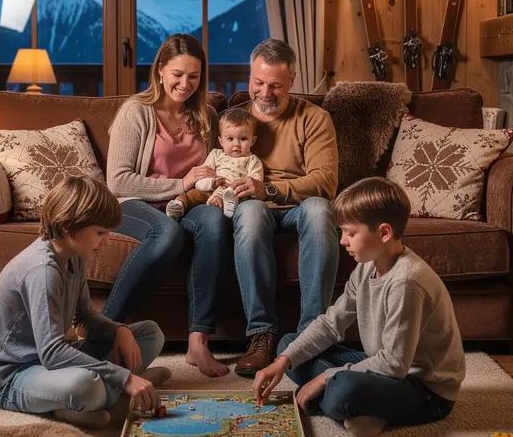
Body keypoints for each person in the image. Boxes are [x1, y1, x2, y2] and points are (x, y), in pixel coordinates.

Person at [251, 177, 465, 436]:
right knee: (288, 346)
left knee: (341, 391)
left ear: (384, 233)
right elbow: (331, 324)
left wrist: (325, 377)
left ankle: (357, 406)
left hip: (426, 389)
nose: (342, 241)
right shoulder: (365, 268)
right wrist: (282, 362)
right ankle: (363, 408)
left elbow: (395, 364)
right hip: (383, 366)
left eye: (350, 233)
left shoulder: (407, 281)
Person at [0, 176, 170, 429]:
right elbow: (52, 353)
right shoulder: (42, 271)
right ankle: (115, 393)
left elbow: (84, 318)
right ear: (69, 227)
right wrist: (123, 377)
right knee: (86, 385)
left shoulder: (74, 256)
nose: (107, 240)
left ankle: (106, 396)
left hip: (49, 362)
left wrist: (118, 330)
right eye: (100, 232)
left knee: (149, 333)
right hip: (12, 377)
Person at [104, 33, 231, 378]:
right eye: (177, 74)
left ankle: (198, 343)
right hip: (134, 203)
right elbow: (117, 181)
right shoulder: (136, 112)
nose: (185, 83)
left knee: (215, 223)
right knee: (167, 233)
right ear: (160, 70)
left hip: (186, 204)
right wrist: (181, 182)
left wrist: (215, 188)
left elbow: (214, 166)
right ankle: (105, 332)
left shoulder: (206, 116)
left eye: (194, 76)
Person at [227, 38, 340, 378]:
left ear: (292, 80)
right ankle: (261, 335)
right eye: (258, 83)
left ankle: (311, 337)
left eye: (275, 85)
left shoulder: (314, 118)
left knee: (322, 210)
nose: (264, 92)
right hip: (253, 207)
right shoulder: (231, 121)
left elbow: (325, 182)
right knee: (248, 212)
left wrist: (271, 188)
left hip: (299, 206)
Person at [166, 107, 264, 220]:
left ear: (253, 140)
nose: (236, 144)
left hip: (235, 194)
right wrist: (212, 183)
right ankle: (178, 205)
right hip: (210, 191)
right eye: (230, 139)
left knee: (243, 199)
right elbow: (201, 178)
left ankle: (226, 205)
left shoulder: (253, 161)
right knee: (193, 194)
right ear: (221, 141)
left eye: (243, 139)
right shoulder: (216, 154)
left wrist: (237, 188)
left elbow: (255, 185)